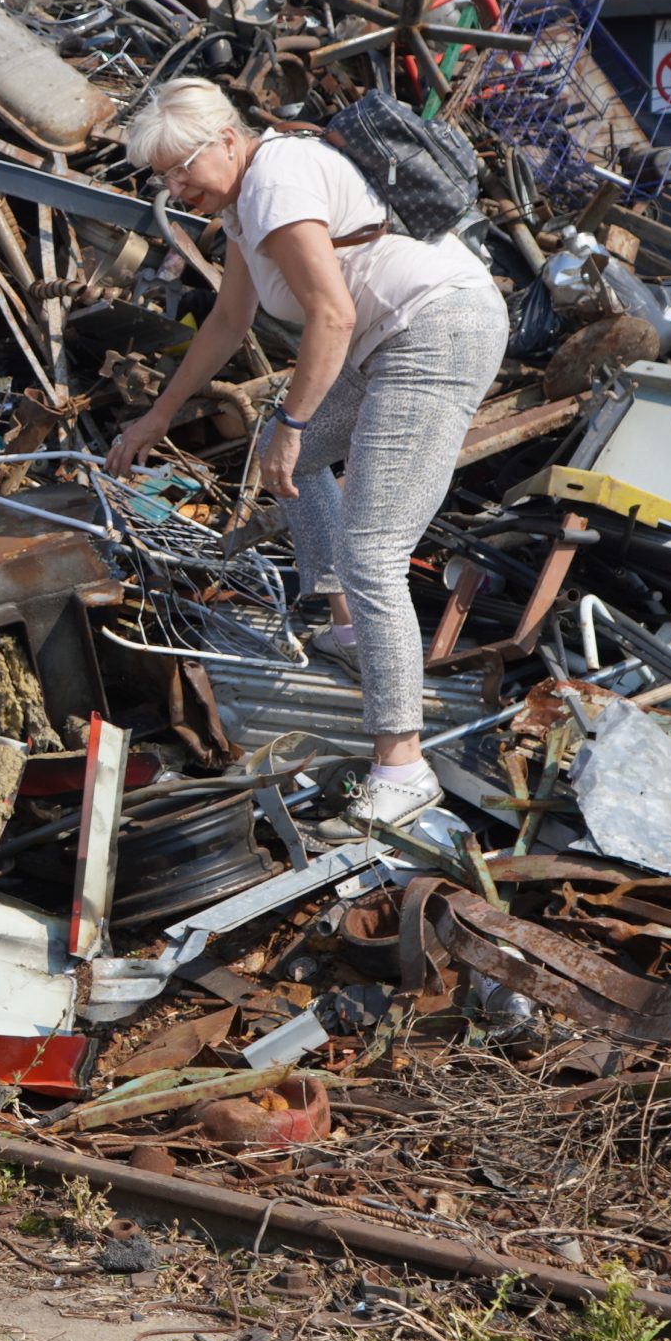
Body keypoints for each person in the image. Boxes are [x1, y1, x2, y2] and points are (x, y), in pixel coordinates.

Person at [104, 78, 505, 835]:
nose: (175, 185)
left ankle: (401, 767)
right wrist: (158, 415)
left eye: (181, 166)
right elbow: (228, 320)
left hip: (437, 333)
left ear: (228, 137)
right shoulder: (244, 199)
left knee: (375, 549)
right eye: (161, 175)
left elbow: (331, 313)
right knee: (284, 457)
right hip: (392, 342)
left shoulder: (276, 182)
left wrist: (293, 419)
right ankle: (351, 631)